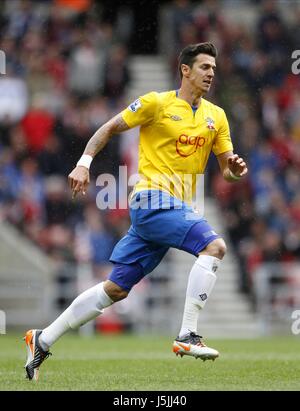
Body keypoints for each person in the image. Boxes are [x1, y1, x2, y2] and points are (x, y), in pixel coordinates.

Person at [24, 42, 248, 380]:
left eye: (213, 68)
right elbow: (109, 127)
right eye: (204, 67)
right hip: (151, 200)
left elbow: (226, 169)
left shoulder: (217, 116)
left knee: (116, 289)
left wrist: (234, 168)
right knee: (215, 246)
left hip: (177, 207)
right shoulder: (156, 103)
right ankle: (187, 334)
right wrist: (84, 164)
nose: (211, 73)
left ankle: (43, 338)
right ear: (185, 70)